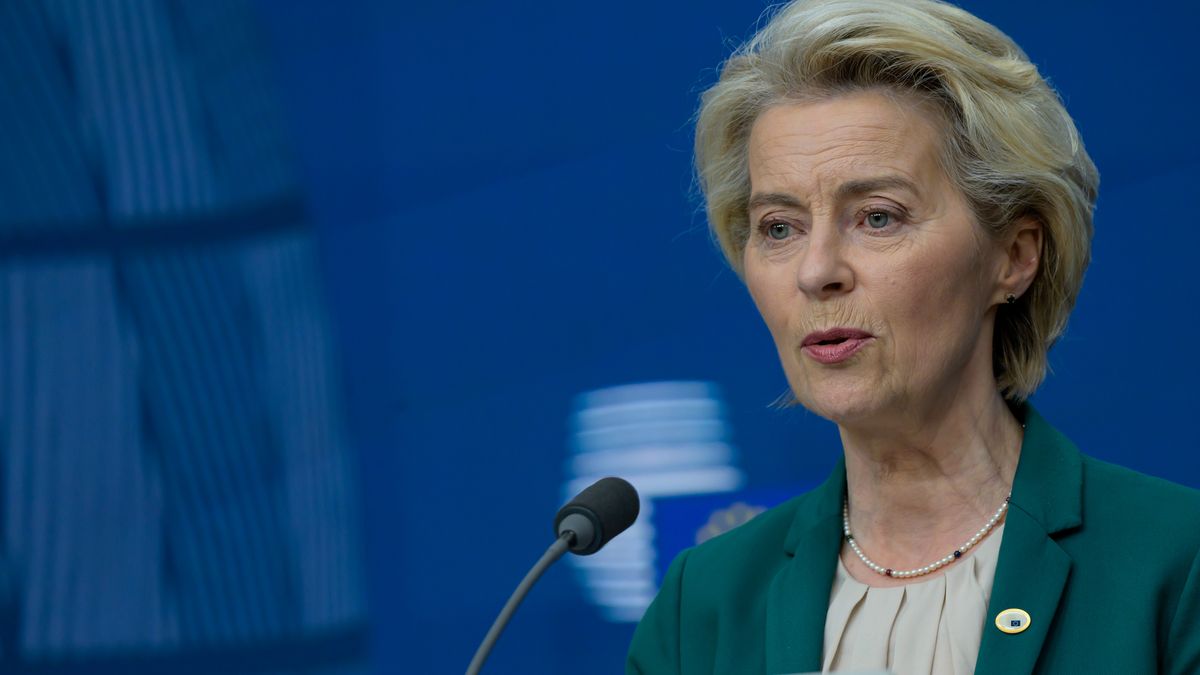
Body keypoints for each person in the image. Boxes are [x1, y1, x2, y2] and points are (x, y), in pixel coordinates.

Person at [625, 0, 1200, 673]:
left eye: (878, 217)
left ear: (1013, 256)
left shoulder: (1175, 561)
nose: (817, 272)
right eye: (779, 227)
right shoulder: (705, 604)